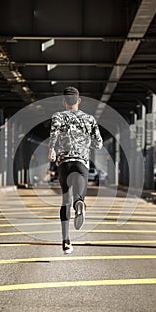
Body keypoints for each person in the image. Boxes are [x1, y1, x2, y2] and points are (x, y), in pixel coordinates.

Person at [48, 87, 103, 254]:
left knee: (65, 199)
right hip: (81, 162)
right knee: (79, 194)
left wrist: (52, 149)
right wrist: (86, 144)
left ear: (64, 102)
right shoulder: (89, 119)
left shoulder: (58, 116)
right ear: (79, 101)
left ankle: (66, 241)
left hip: (64, 162)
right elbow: (99, 143)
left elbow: (54, 134)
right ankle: (80, 202)